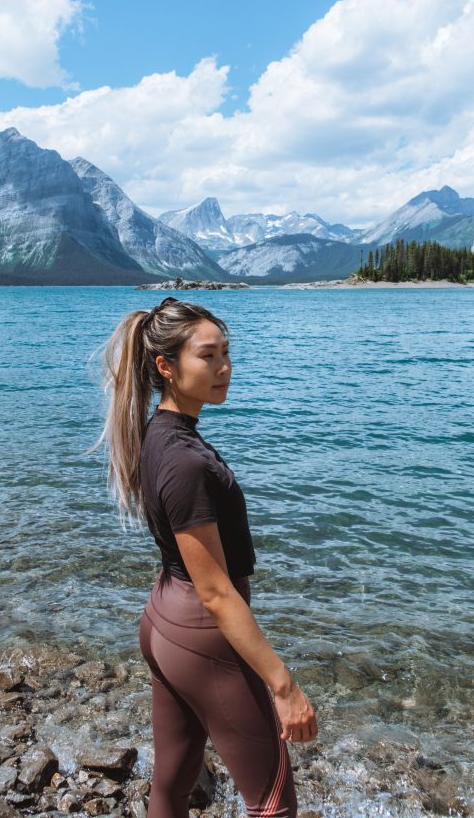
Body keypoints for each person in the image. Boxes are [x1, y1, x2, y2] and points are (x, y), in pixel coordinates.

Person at [93, 295, 317, 818]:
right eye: (208, 356)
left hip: (164, 624)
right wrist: (283, 686)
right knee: (274, 803)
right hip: (201, 638)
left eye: (226, 354)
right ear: (166, 367)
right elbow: (216, 592)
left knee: (172, 780)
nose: (224, 369)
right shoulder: (185, 460)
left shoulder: (159, 436)